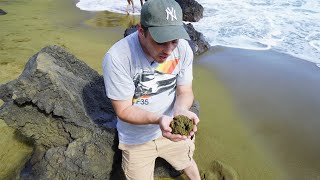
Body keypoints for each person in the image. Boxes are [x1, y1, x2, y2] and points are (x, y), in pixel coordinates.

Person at [102, 0, 201, 179]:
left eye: (174, 40)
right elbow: (123, 110)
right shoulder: (118, 58)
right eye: (161, 41)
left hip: (173, 128)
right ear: (141, 30)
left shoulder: (183, 49)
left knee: (187, 160)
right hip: (136, 140)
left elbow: (184, 90)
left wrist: (180, 111)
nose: (169, 49)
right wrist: (159, 120)